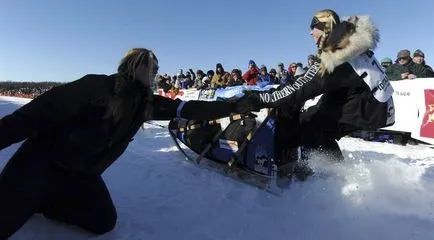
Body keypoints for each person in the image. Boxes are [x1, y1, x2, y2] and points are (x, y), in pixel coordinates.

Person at [0, 48, 244, 238]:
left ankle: (45, 202)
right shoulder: (97, 87)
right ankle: (32, 198)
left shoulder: (146, 103)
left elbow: (189, 108)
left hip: (80, 175)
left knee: (103, 221)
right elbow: (34, 115)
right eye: (153, 67)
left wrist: (236, 106)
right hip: (39, 165)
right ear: (135, 65)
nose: (156, 72)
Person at [236, 9, 395, 169]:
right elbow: (307, 79)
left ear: (326, 27)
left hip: (370, 107)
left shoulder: (338, 56)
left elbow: (302, 89)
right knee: (313, 116)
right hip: (371, 102)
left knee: (311, 124)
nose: (311, 33)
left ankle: (322, 173)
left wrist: (258, 99)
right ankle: (335, 170)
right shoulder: (347, 42)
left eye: (314, 27)